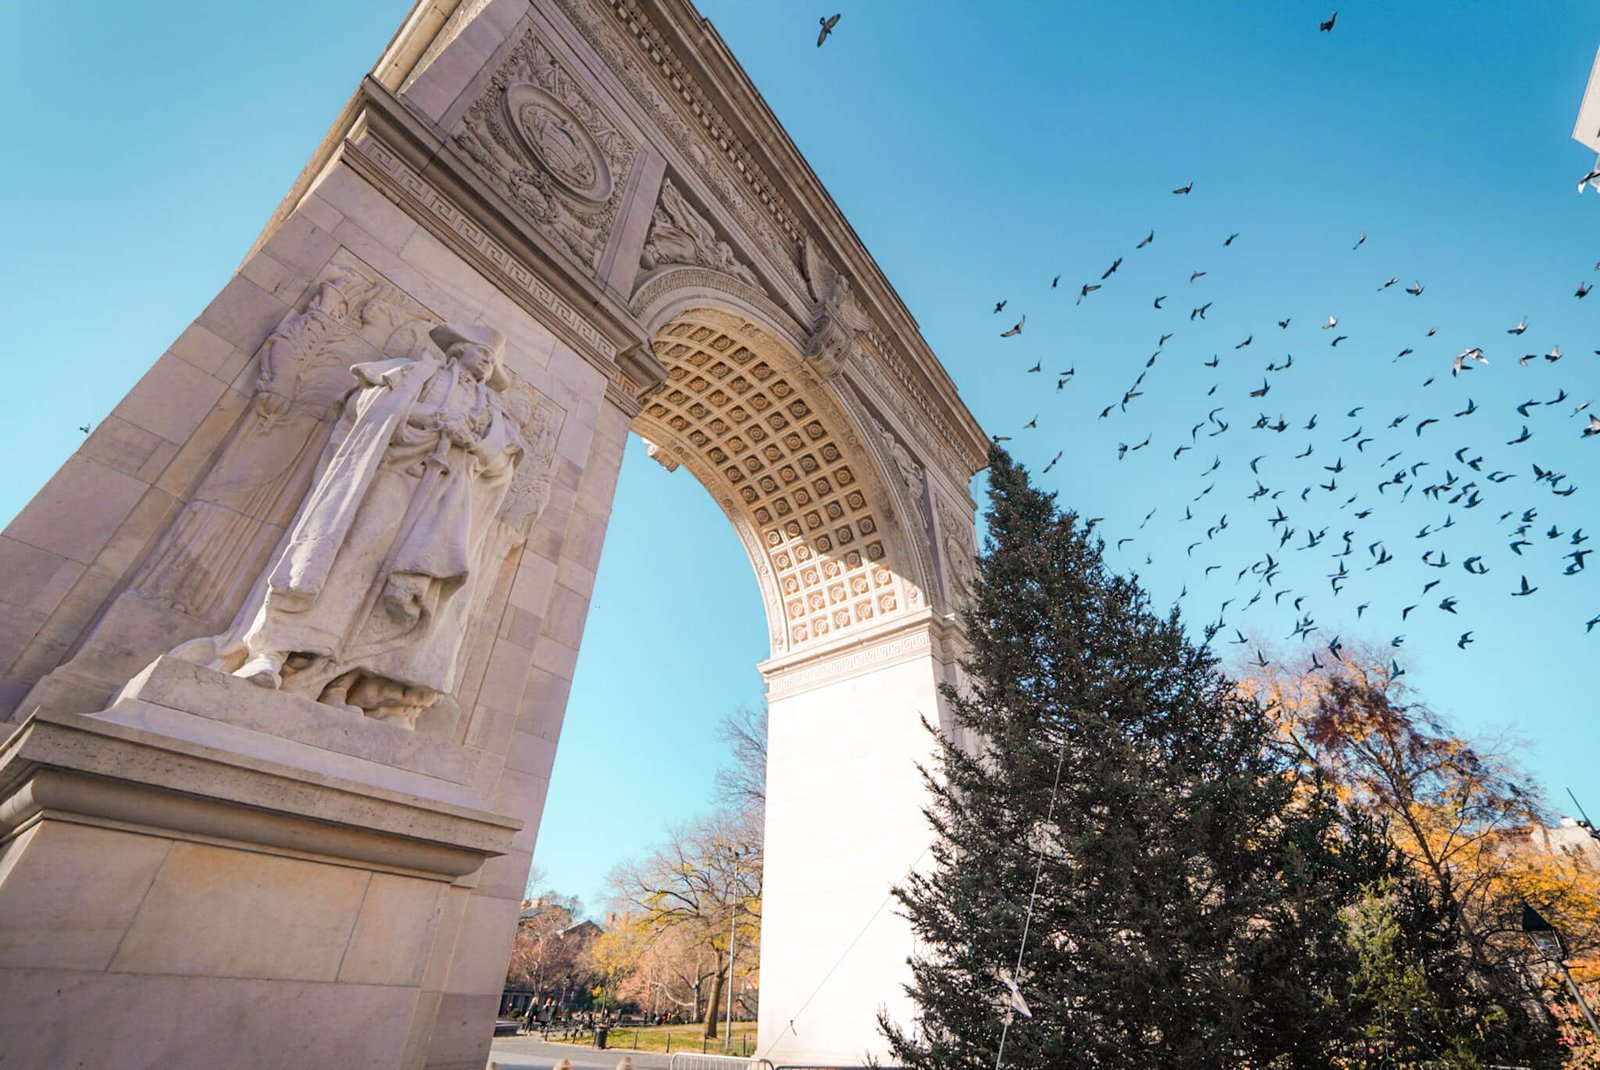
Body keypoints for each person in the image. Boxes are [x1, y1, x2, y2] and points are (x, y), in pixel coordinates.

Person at [196, 323, 525, 727]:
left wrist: (472, 441)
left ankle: (350, 685)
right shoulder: (415, 374)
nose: (487, 362)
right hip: (388, 483)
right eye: (481, 352)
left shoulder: (492, 410)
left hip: (444, 502)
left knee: (403, 595)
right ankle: (272, 652)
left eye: (492, 359)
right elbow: (368, 406)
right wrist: (435, 420)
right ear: (456, 350)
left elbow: (502, 460)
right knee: (344, 566)